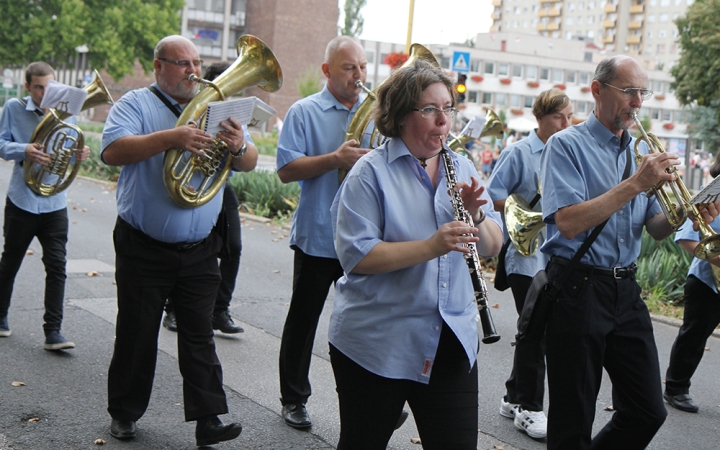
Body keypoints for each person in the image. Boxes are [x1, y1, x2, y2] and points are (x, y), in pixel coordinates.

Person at [539, 54, 720, 449]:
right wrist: (637, 183)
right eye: (628, 92)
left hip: (626, 290)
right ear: (597, 90)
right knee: (573, 419)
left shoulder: (639, 153)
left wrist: (689, 214)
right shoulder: (565, 145)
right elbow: (567, 222)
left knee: (647, 410)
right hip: (577, 287)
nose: (637, 103)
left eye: (642, 93)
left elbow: (656, 229)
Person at [329, 58, 503, 450]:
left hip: (450, 338)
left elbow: (493, 244)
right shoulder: (369, 173)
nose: (443, 121)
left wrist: (475, 214)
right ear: (402, 114)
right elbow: (358, 257)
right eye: (430, 109)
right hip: (378, 342)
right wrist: (431, 246)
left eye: (448, 109)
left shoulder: (462, 166)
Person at [101, 35, 255, 446]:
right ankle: (125, 413)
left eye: (197, 62)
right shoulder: (135, 104)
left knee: (199, 333)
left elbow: (251, 161)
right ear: (158, 67)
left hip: (200, 248)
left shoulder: (215, 109)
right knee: (137, 332)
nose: (193, 71)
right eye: (182, 63)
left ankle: (209, 420)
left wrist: (239, 146)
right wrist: (172, 138)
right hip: (143, 245)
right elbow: (113, 151)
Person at [274, 35, 371, 430]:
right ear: (328, 71)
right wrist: (335, 159)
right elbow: (285, 170)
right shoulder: (304, 111)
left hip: (364, 237)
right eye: (350, 68)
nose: (359, 75)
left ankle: (369, 398)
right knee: (304, 320)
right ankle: (293, 399)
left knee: (365, 323)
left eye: (363, 67)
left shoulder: (376, 112)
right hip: (319, 234)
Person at [487, 88, 573, 439]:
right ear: (540, 118)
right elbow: (493, 195)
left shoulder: (570, 152)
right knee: (536, 331)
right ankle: (529, 408)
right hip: (525, 254)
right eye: (559, 117)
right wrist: (524, 214)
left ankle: (512, 396)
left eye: (570, 117)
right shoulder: (519, 152)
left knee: (532, 328)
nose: (567, 124)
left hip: (555, 254)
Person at [0, 61, 90, 350]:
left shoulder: (67, 112)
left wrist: (80, 153)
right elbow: (1, 144)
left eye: (48, 86)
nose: (43, 92)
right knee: (10, 261)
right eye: (38, 87)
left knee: (57, 265)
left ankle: (54, 332)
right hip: (22, 199)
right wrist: (22, 148)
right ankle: (0, 317)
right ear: (28, 86)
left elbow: (71, 147)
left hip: (54, 201)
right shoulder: (14, 108)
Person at [161, 60, 254, 335]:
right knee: (188, 248)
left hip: (219, 188)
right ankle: (174, 309)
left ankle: (219, 310)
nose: (229, 94)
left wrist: (238, 145)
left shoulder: (233, 117)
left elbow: (247, 160)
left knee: (233, 247)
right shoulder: (193, 111)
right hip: (189, 184)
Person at [664, 155, 720, 413]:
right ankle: (676, 388)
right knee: (693, 337)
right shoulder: (711, 197)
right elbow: (686, 239)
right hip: (706, 282)